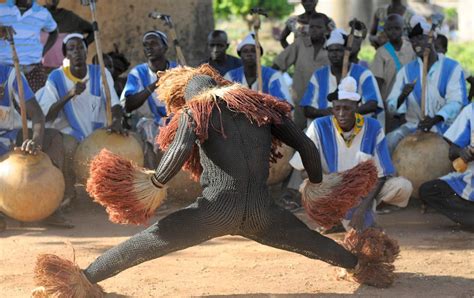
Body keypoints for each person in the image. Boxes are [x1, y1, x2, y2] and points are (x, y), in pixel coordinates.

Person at [33, 65, 371, 296]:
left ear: (190, 96)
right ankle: (362, 264)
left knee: (150, 240)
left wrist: (154, 182)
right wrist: (316, 184)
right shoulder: (260, 109)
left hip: (215, 210)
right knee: (310, 241)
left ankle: (83, 280)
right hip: (262, 211)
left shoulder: (197, 111)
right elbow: (308, 146)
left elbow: (178, 152)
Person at [291, 77, 412, 232]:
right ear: (332, 108)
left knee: (403, 187)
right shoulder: (318, 126)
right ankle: (336, 219)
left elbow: (382, 175)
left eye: (346, 108)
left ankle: (358, 214)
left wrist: (361, 208)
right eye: (337, 108)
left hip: (364, 191)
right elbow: (302, 169)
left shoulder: (373, 127)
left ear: (356, 107)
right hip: (331, 187)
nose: (341, 113)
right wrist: (328, 187)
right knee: (306, 187)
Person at [38, 33, 124, 205]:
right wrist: (69, 95)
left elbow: (114, 103)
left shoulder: (101, 73)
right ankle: (68, 192)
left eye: (80, 48)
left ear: (86, 51)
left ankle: (111, 195)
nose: (76, 52)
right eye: (71, 49)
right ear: (66, 55)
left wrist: (116, 121)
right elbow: (47, 115)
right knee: (68, 148)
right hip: (70, 133)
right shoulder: (56, 77)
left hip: (97, 134)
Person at [0, 63, 72, 231]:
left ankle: (50, 207)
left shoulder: (10, 74)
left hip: (11, 136)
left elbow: (37, 114)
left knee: (53, 138)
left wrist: (36, 142)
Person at [385, 16, 467, 154]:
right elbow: (391, 106)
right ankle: (388, 175)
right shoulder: (406, 71)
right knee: (390, 140)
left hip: (446, 127)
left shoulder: (452, 67)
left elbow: (457, 101)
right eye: (413, 39)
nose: (416, 43)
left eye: (421, 38)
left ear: (432, 39)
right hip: (414, 126)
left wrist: (435, 119)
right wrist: (402, 96)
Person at [300, 29, 383, 125]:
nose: (334, 54)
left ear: (346, 51)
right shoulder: (318, 76)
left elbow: (372, 104)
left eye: (338, 50)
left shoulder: (363, 74)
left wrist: (347, 114)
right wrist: (326, 112)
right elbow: (307, 109)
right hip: (325, 128)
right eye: (331, 50)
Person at [121, 31, 178, 169]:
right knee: (148, 127)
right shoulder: (137, 73)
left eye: (153, 43)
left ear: (165, 48)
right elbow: (128, 105)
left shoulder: (178, 70)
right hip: (147, 123)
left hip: (175, 122)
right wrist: (153, 86)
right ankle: (152, 177)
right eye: (145, 45)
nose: (148, 47)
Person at [419, 103, 474, 229]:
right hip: (470, 180)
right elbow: (452, 152)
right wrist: (463, 152)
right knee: (429, 190)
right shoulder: (470, 111)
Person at [273, 13, 330, 130]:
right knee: (296, 140)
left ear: (326, 29)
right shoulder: (300, 43)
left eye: (319, 27)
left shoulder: (332, 49)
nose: (314, 30)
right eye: (312, 27)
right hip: (299, 103)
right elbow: (277, 65)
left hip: (323, 107)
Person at [371, 14, 416, 132]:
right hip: (390, 105)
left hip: (411, 103)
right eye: (389, 29)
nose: (393, 32)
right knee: (391, 135)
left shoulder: (411, 48)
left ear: (403, 29)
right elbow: (378, 82)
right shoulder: (381, 53)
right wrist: (379, 106)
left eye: (397, 28)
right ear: (385, 30)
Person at [0, 0, 58, 92]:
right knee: (6, 104)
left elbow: (54, 32)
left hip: (33, 70)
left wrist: (43, 52)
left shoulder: (42, 12)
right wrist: (1, 29)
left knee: (39, 101)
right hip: (4, 68)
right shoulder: (2, 9)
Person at [224, 33, 292, 105]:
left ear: (259, 55)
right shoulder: (230, 77)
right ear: (240, 55)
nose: (249, 54)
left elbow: (284, 104)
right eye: (245, 51)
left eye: (253, 51)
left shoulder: (273, 76)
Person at [42, 0, 94, 69]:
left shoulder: (69, 17)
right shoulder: (35, 16)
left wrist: (80, 47)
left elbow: (93, 31)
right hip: (40, 69)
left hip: (65, 69)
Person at [435, 34, 474, 102]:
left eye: (436, 48)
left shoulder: (454, 66)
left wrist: (468, 100)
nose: (434, 52)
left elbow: (472, 81)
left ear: (445, 50)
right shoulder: (429, 66)